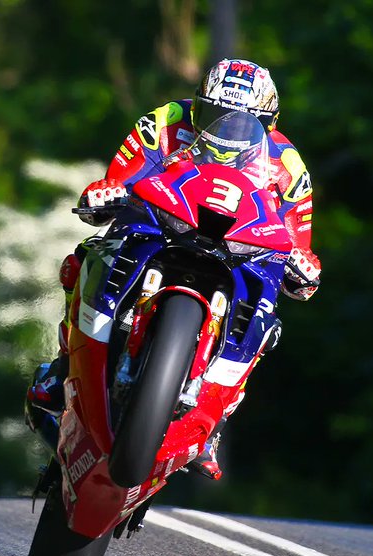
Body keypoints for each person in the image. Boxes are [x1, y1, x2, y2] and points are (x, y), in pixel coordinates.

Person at [25, 58, 321, 480]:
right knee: (86, 256)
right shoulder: (165, 121)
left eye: (242, 122)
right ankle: (62, 367)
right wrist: (108, 191)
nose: (227, 129)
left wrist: (302, 262)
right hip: (165, 227)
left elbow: (296, 236)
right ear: (199, 105)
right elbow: (123, 175)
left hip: (237, 249)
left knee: (266, 324)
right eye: (216, 115)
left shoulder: (288, 166)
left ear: (267, 124)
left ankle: (213, 419)